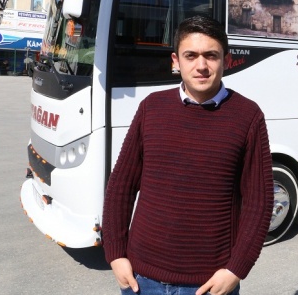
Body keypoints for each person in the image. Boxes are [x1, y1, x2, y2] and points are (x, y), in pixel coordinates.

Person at [103, 15, 274, 295]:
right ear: (176, 61)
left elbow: (259, 202)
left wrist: (235, 270)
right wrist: (115, 253)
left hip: (210, 284)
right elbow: (121, 185)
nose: (201, 66)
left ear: (226, 61)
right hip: (141, 279)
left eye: (211, 56)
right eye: (191, 55)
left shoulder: (248, 116)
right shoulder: (151, 108)